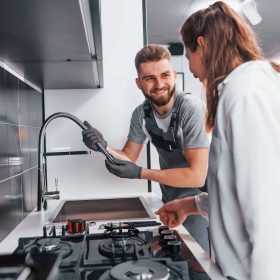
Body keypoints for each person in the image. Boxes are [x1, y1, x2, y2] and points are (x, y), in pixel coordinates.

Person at [156, 1, 280, 280]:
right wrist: (189, 205)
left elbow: (268, 207)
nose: (189, 67)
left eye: (188, 55)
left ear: (203, 45)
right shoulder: (239, 90)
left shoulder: (246, 93)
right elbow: (239, 192)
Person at [82, 44, 210, 252]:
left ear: (174, 76)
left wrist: (142, 173)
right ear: (138, 82)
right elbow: (128, 157)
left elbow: (197, 176)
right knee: (176, 263)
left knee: (197, 267)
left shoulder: (190, 109)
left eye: (165, 75)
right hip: (170, 201)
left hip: (199, 204)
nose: (159, 84)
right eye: (150, 78)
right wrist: (102, 146)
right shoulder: (141, 114)